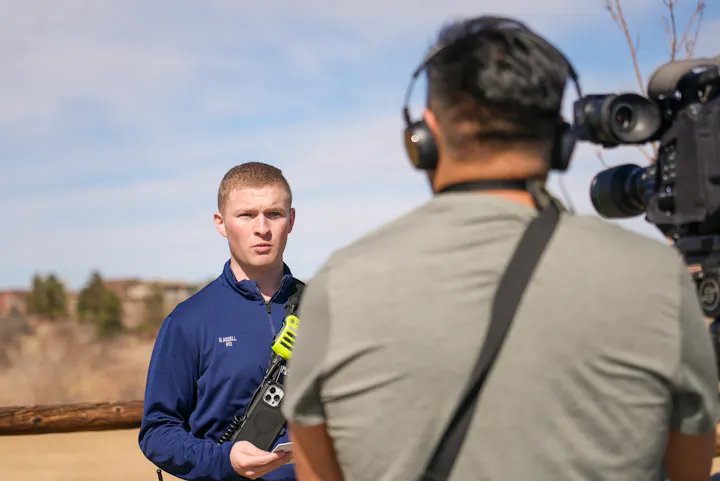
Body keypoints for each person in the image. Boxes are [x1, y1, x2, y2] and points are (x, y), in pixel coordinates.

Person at [280, 16, 720, 481]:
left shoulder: (342, 282)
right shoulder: (654, 275)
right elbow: (688, 466)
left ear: (424, 138)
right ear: (562, 140)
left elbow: (316, 470)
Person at [139, 161, 300, 481]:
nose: (262, 228)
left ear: (291, 220)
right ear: (221, 223)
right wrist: (223, 459)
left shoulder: (326, 311)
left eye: (274, 213)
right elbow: (158, 431)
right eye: (246, 215)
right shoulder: (188, 322)